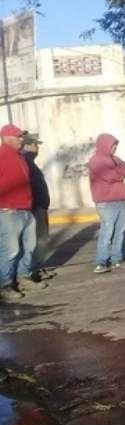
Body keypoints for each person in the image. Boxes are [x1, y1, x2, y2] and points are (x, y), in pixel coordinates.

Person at [0, 124, 47, 300]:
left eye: (21, 136)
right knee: (10, 250)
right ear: (6, 137)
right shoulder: (2, 156)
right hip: (8, 211)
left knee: (28, 247)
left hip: (26, 209)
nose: (21, 139)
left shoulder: (19, 157)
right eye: (18, 136)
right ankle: (5, 286)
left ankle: (23, 277)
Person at [89, 133, 125, 274]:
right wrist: (120, 172)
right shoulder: (96, 160)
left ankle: (117, 259)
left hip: (120, 201)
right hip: (106, 203)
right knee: (107, 232)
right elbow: (110, 176)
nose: (114, 148)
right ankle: (100, 262)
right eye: (113, 145)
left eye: (115, 145)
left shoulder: (115, 159)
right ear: (105, 145)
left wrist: (119, 170)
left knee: (119, 233)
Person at [22, 132, 55, 280]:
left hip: (40, 206)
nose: (37, 148)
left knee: (41, 239)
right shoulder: (26, 160)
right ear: (27, 145)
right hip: (35, 207)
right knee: (38, 240)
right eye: (35, 145)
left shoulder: (30, 162)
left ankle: (38, 267)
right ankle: (35, 269)